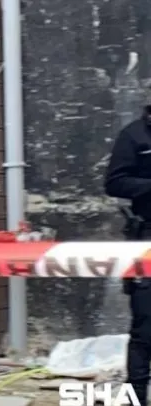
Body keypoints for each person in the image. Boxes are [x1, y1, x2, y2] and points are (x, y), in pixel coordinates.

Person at [105, 105, 151, 406]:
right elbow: (114, 182)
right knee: (145, 326)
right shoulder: (134, 135)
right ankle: (136, 398)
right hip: (146, 238)